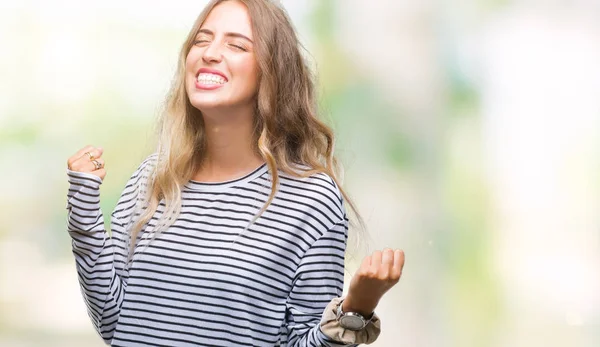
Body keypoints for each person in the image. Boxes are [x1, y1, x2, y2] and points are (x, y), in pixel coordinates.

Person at [65, 0, 405, 346]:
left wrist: (357, 309)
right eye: (201, 40)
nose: (210, 53)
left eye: (237, 45)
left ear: (272, 71)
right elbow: (114, 323)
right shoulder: (152, 178)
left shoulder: (311, 200)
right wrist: (83, 207)